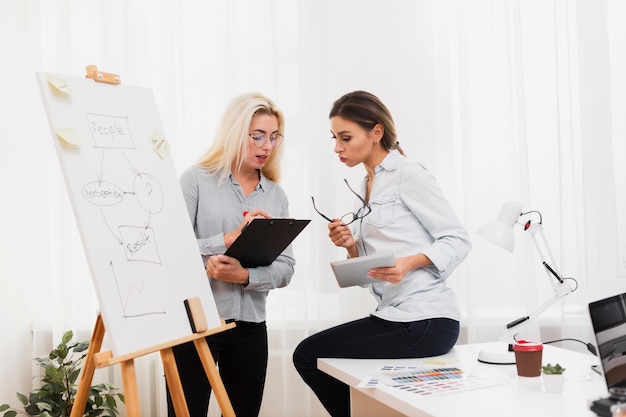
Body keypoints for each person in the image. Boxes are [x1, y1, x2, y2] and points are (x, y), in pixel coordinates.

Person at [293, 90, 472, 417]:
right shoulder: (365, 186)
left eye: (345, 138)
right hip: (396, 313)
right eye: (334, 138)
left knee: (307, 354)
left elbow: (457, 239)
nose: (337, 147)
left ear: (376, 133)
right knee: (312, 357)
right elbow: (369, 276)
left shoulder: (408, 174)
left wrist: (411, 262)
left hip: (427, 318)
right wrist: (350, 246)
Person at [168, 92, 294, 417]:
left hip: (251, 328)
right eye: (258, 136)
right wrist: (226, 239)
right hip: (196, 325)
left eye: (273, 137)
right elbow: (170, 249)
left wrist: (245, 277)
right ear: (237, 132)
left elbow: (286, 268)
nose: (267, 145)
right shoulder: (196, 181)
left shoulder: (276, 196)